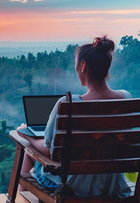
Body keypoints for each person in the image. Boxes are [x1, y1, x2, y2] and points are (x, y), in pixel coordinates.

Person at [16, 36, 132, 198]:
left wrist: (26, 135)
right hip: (113, 186)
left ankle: (20, 199)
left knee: (27, 150)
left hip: (74, 188)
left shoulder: (67, 103)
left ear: (83, 66)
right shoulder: (126, 98)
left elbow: (51, 151)